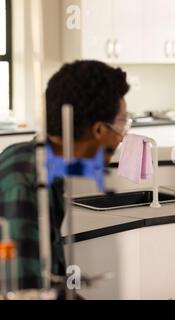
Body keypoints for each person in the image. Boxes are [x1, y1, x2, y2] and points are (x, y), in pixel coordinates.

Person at [0, 60, 130, 291]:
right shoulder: (26, 181)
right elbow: (25, 293)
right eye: (121, 125)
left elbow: (50, 284)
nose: (122, 137)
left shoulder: (44, 168)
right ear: (99, 130)